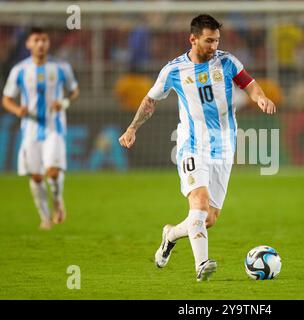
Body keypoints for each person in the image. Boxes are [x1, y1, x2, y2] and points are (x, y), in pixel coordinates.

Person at [118, 14, 276, 281]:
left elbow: (249, 84)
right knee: (199, 204)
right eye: (209, 40)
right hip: (192, 146)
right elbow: (150, 101)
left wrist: (261, 98)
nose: (214, 46)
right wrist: (132, 127)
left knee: (208, 219)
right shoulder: (174, 70)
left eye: (217, 40)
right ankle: (201, 265)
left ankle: (170, 235)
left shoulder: (226, 62)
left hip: (224, 148)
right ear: (193, 39)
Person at [2, 27, 79, 230]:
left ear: (48, 43)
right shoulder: (19, 70)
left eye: (44, 40)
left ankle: (57, 198)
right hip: (30, 129)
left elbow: (73, 91)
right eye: (36, 40)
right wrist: (18, 110)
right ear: (28, 44)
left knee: (52, 172)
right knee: (36, 176)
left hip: (55, 127)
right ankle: (45, 217)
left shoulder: (61, 67)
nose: (41, 44)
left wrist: (62, 103)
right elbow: (7, 99)